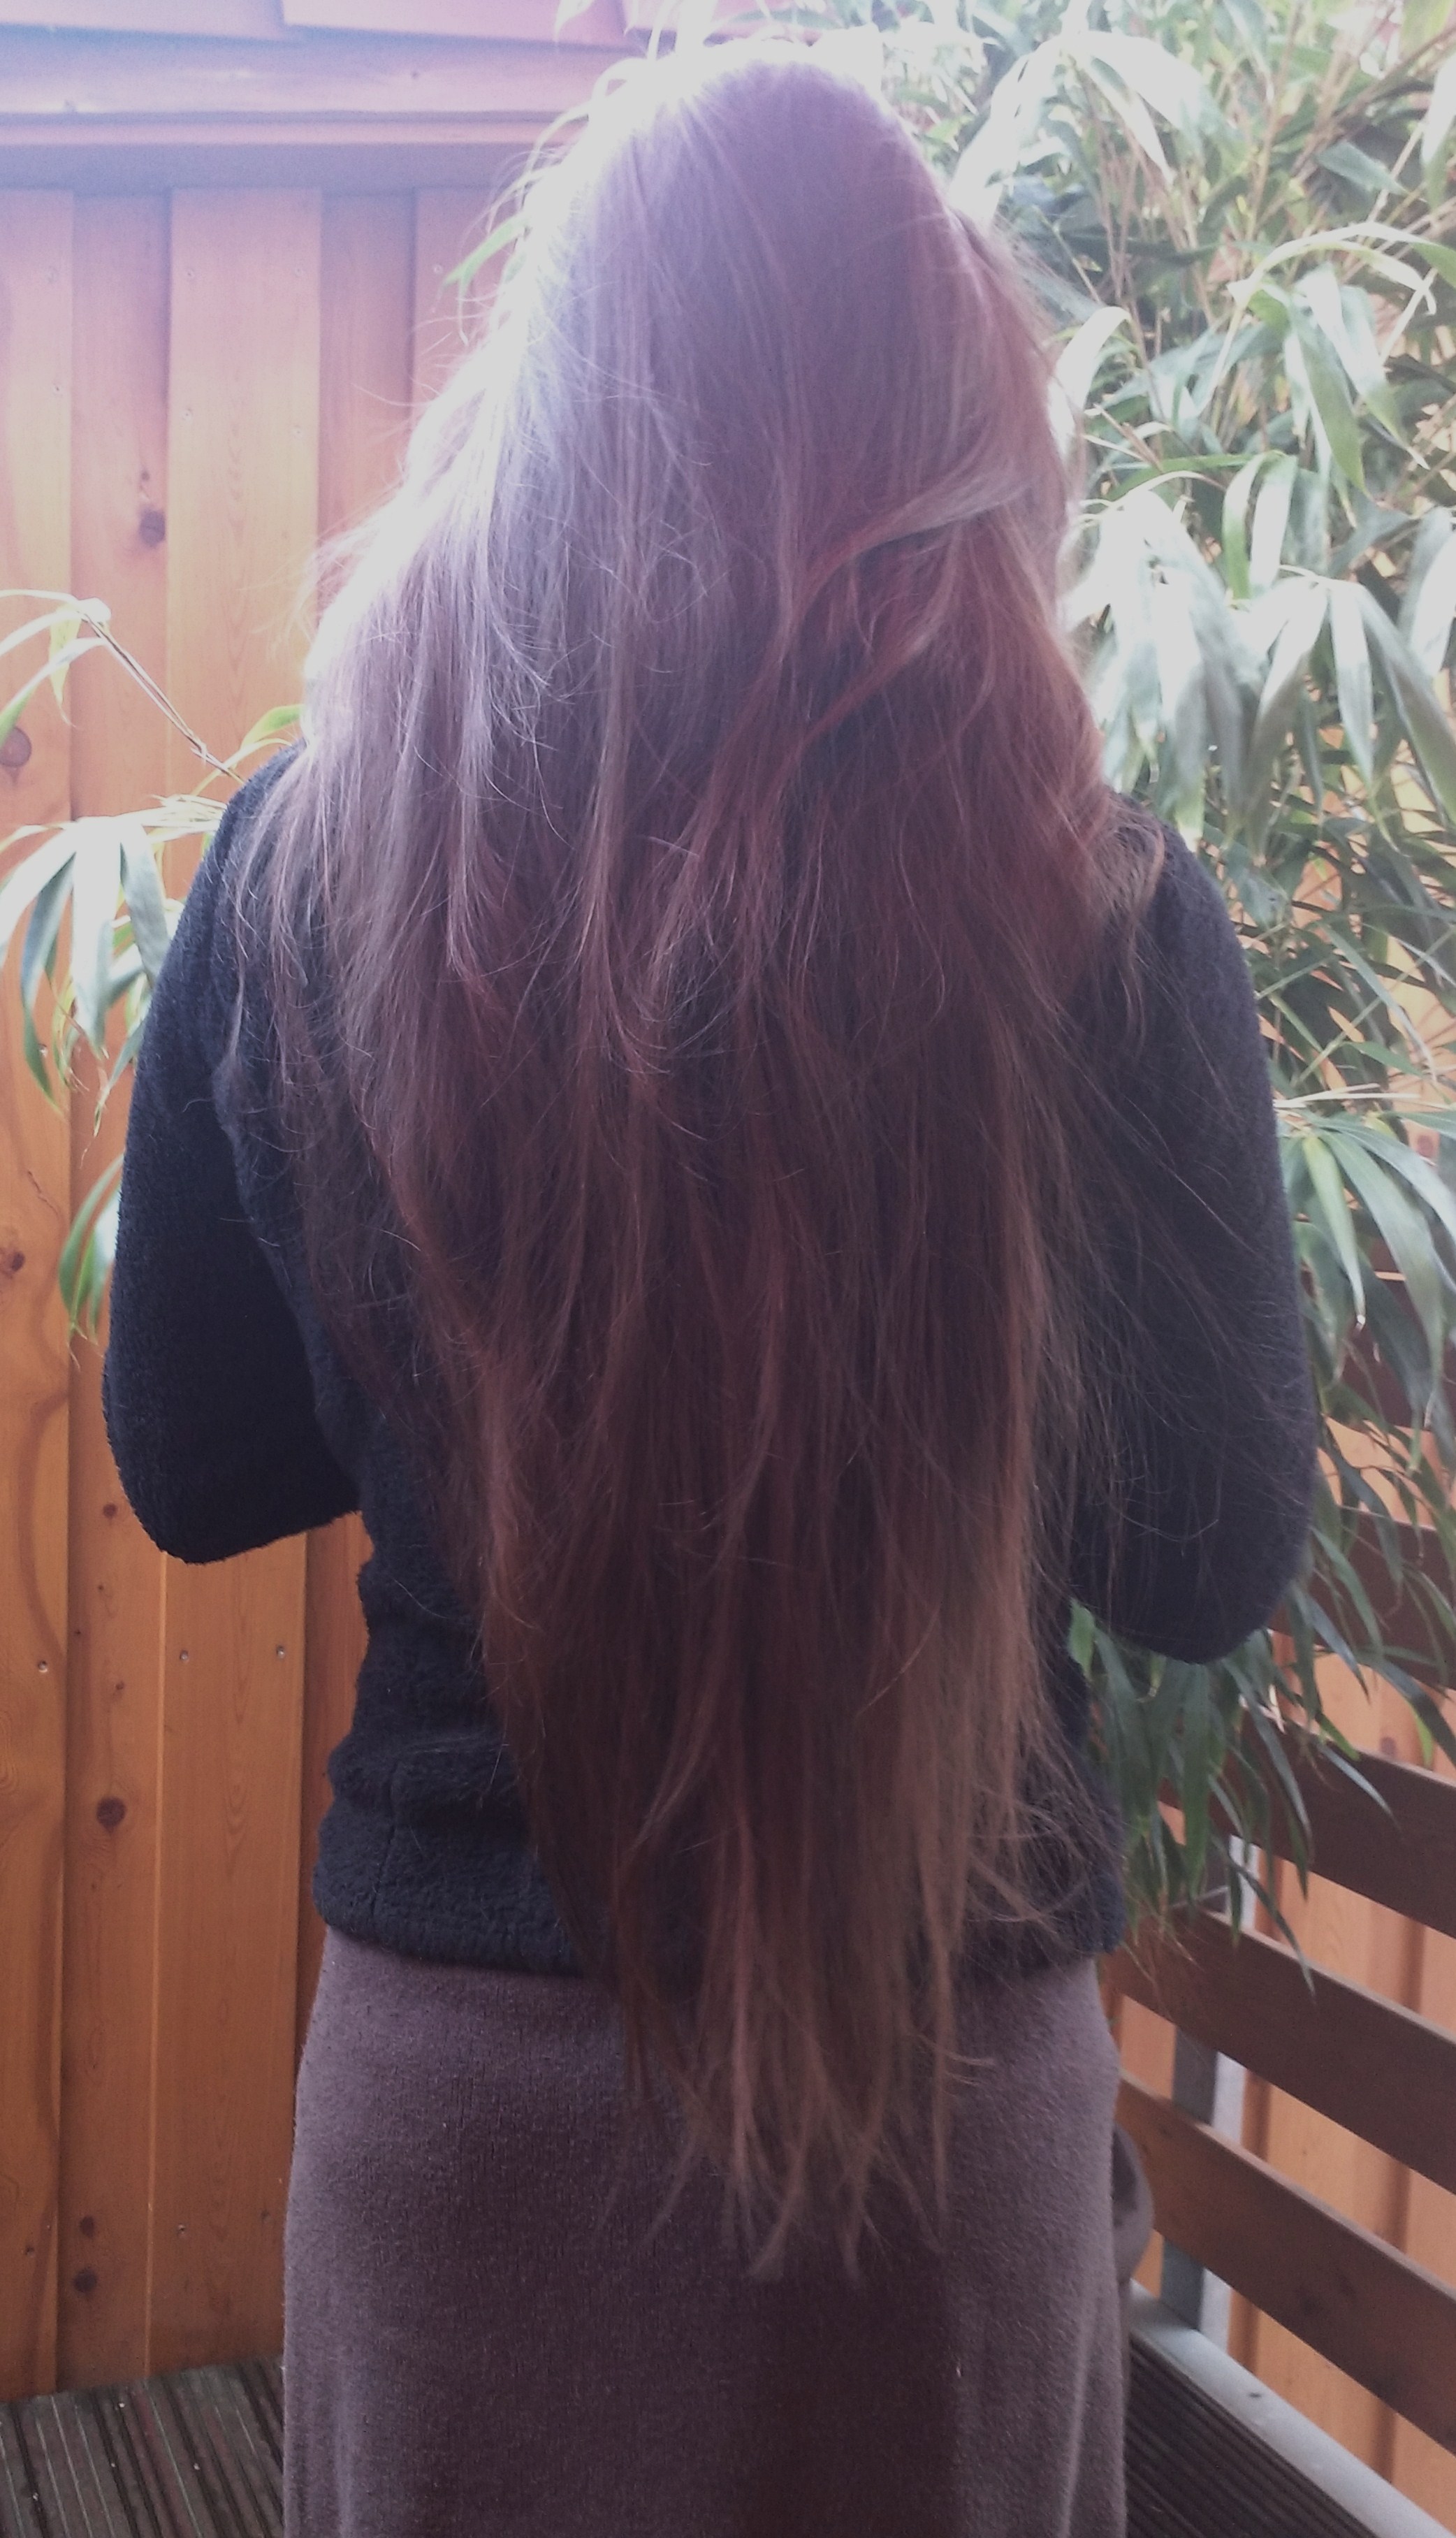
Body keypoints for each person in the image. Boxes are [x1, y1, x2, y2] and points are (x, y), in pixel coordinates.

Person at [103, 43, 1315, 2538]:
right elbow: (1204, 1560)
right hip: (932, 2139)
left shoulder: (308, 873)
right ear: (957, 435)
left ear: (543, 408)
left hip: (468, 2125)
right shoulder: (1097, 911)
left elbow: (195, 1463)